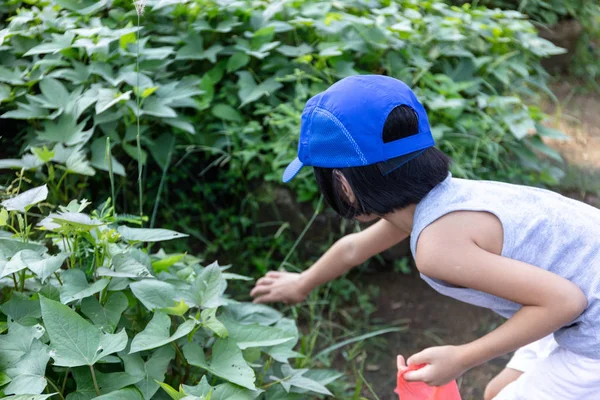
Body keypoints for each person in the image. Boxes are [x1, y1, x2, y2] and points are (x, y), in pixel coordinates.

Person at [249, 75, 600, 399]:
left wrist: (462, 357)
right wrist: (302, 283)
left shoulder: (437, 246)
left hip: (587, 319)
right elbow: (354, 248)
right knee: (496, 391)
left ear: (343, 184)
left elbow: (565, 302)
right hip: (582, 284)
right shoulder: (441, 201)